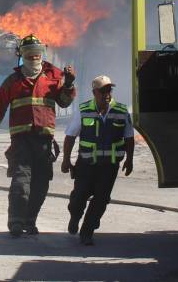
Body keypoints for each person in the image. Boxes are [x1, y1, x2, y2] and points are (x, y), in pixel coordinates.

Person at [0, 34, 76, 237]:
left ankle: (29, 221)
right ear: (21, 55)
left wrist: (68, 85)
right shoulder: (12, 81)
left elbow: (65, 102)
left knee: (41, 184)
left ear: (42, 53)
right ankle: (16, 222)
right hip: (21, 140)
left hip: (44, 140)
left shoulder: (54, 76)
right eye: (28, 53)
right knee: (20, 181)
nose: (33, 57)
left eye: (37, 53)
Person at [60, 75, 134, 245]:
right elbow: (70, 136)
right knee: (79, 197)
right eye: (103, 91)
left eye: (109, 90)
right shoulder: (84, 110)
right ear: (94, 92)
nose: (107, 94)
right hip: (86, 165)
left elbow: (129, 137)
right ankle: (75, 217)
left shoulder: (121, 112)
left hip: (109, 167)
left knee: (101, 200)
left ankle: (87, 232)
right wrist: (66, 160)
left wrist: (129, 160)